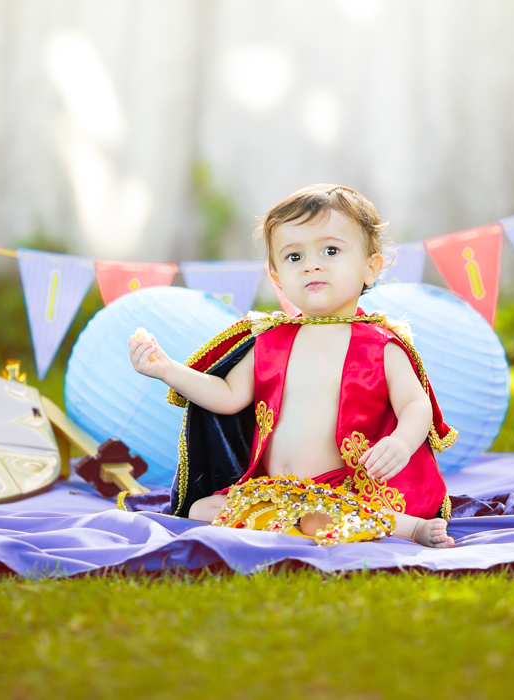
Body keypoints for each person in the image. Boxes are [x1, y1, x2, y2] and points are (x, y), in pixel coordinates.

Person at [127, 184, 457, 547]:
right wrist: (166, 368)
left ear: (370, 268)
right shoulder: (269, 340)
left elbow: (415, 403)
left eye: (330, 250)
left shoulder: (380, 344)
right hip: (274, 488)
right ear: (276, 277)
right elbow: (228, 396)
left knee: (322, 517)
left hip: (343, 486)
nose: (312, 264)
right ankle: (296, 523)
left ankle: (409, 527)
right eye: (294, 257)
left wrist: (401, 442)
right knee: (201, 508)